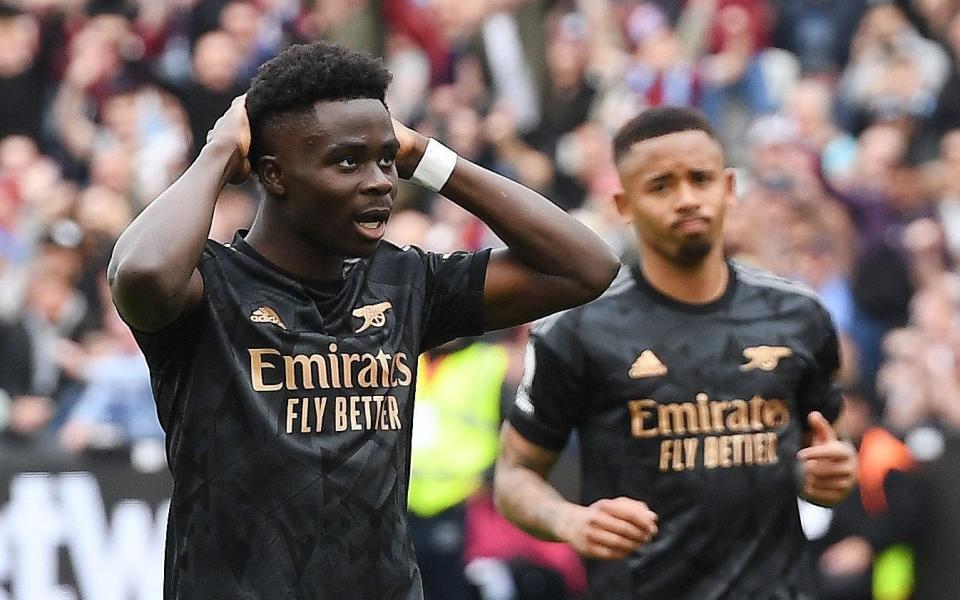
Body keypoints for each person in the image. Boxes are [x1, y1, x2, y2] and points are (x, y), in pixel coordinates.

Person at [107, 41, 619, 600]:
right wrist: (217, 154)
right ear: (274, 176)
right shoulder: (210, 286)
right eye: (348, 161)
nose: (379, 181)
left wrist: (427, 156)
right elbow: (141, 276)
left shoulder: (404, 282)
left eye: (386, 158)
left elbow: (586, 267)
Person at [494, 106, 857, 599]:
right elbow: (514, 475)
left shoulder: (800, 315)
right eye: (661, 185)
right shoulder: (576, 329)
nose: (687, 199)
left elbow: (825, 455)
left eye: (700, 179)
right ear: (624, 204)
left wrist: (831, 476)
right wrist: (569, 521)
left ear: (728, 187)